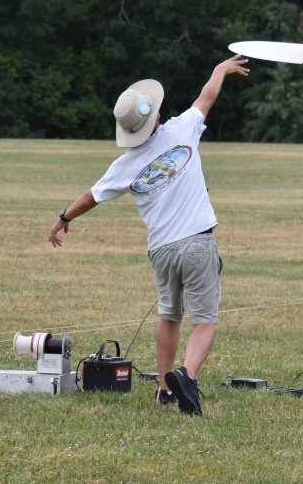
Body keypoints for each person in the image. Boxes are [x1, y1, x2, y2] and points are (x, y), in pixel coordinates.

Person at [48, 55, 250, 416]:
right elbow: (206, 97)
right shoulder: (182, 128)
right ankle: (186, 376)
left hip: (161, 251)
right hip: (198, 242)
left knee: (169, 317)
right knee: (204, 320)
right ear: (156, 116)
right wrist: (219, 69)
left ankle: (162, 389)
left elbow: (91, 197)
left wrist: (63, 218)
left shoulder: (124, 165)